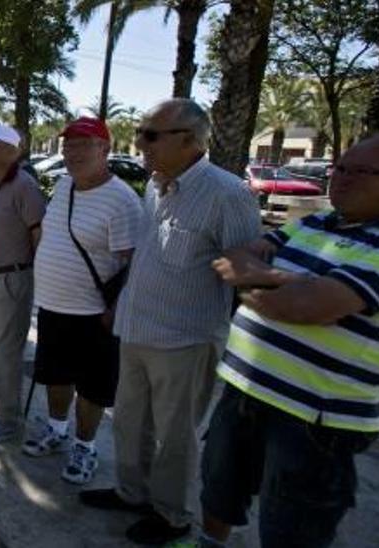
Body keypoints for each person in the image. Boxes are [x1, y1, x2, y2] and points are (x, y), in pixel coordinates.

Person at [190, 135, 379, 548]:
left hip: (316, 419)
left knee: (293, 524)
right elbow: (234, 260)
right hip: (245, 393)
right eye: (342, 168)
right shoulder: (318, 222)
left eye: (364, 172)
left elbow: (310, 305)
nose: (344, 180)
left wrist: (288, 285)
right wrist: (298, 285)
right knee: (220, 487)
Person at [75, 100, 261, 544]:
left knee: (173, 436)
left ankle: (172, 514)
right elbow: (148, 256)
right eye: (141, 132)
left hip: (185, 338)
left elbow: (247, 272)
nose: (141, 143)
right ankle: (132, 492)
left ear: (192, 141)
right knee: (128, 422)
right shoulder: (156, 186)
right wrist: (120, 306)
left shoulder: (227, 193)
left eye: (152, 135)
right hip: (137, 329)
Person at [24, 117, 143, 485]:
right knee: (55, 377)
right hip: (54, 306)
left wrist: (115, 311)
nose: (72, 152)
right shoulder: (63, 186)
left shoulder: (122, 200)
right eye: (68, 144)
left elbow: (131, 265)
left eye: (82, 144)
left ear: (105, 149)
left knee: (92, 388)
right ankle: (57, 429)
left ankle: (85, 446)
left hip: (96, 316)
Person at [0, 124, 47, 444]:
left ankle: (8, 419)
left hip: (10, 279)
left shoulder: (24, 187)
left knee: (5, 353)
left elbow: (38, 235)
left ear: (10, 151)